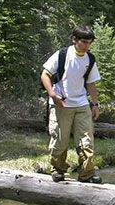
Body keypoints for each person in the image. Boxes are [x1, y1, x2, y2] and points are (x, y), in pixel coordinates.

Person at [41, 25, 102, 184]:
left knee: (86, 140)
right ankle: (58, 170)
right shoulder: (61, 55)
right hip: (61, 103)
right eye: (83, 41)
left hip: (81, 103)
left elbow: (91, 83)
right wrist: (53, 95)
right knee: (60, 140)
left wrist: (95, 104)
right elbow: (45, 75)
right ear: (74, 39)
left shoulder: (90, 59)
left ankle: (87, 174)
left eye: (89, 42)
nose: (87, 45)